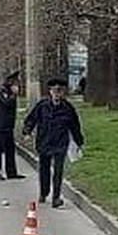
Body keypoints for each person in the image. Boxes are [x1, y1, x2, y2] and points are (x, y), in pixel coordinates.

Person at [21, 77, 84, 208]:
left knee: (58, 171)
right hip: (44, 142)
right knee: (44, 169)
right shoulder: (42, 106)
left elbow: (75, 126)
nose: (57, 94)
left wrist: (79, 142)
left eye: (59, 91)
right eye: (54, 91)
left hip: (60, 143)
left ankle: (56, 197)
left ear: (63, 93)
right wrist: (27, 131)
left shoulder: (68, 108)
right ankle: (44, 192)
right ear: (50, 92)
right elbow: (31, 119)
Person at [0, 71, 25, 180]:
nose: (17, 84)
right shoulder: (2, 91)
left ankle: (11, 172)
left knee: (10, 149)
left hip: (9, 125)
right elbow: (6, 103)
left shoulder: (9, 91)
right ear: (10, 81)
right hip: (1, 125)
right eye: (15, 82)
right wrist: (14, 95)